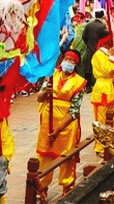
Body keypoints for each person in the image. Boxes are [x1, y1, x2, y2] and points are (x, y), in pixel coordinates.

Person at [36, 50, 85, 195]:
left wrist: (58, 129)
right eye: (66, 59)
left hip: (66, 124)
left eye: (71, 61)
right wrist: (45, 93)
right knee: (45, 155)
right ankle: (42, 188)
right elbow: (39, 98)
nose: (68, 62)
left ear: (75, 64)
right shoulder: (51, 75)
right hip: (48, 120)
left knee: (66, 156)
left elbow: (74, 110)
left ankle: (67, 186)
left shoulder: (79, 82)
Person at [91, 42, 114, 154]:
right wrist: (112, 57)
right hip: (102, 89)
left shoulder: (106, 54)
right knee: (102, 119)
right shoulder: (99, 55)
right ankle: (100, 148)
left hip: (111, 88)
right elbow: (107, 70)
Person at [82, 10, 110, 92]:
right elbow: (106, 38)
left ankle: (88, 86)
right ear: (102, 16)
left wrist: (88, 44)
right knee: (99, 67)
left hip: (89, 48)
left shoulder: (88, 25)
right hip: (99, 49)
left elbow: (84, 36)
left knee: (88, 67)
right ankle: (96, 84)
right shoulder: (102, 26)